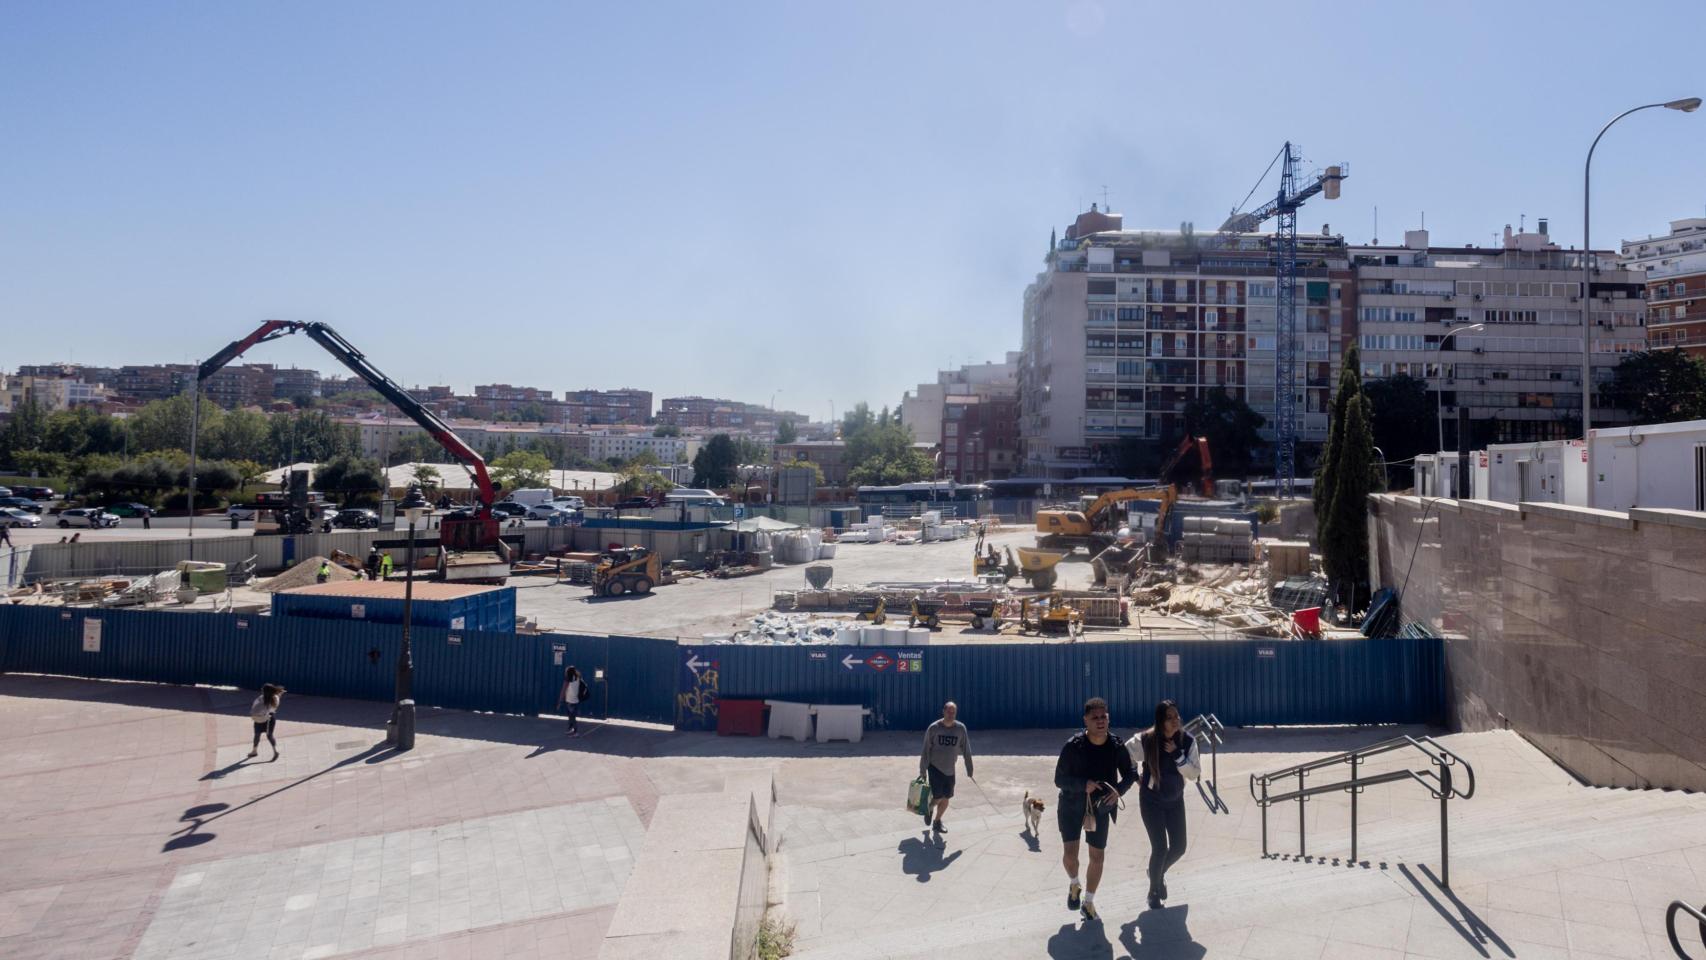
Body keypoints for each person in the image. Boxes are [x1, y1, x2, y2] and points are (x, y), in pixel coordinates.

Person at [1054, 697, 1137, 922]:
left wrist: (1119, 790)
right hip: (1072, 804)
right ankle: (1074, 884)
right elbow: (1059, 779)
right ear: (1086, 720)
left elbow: (1131, 773)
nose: (1100, 721)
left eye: (1104, 717)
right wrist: (1083, 785)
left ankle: (1088, 902)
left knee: (1097, 856)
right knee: (1070, 854)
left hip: (1100, 808)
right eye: (1095, 717)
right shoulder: (1073, 746)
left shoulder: (1116, 745)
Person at [1132, 699, 1195, 910]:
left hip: (1175, 800)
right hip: (1152, 802)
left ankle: (1156, 874)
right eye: (1169, 717)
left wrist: (1178, 756)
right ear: (1160, 721)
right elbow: (1123, 754)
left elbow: (1194, 773)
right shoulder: (1147, 740)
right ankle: (1154, 892)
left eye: (1177, 715)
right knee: (1159, 848)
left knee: (1179, 847)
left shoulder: (1187, 741)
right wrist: (1134, 775)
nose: (1175, 720)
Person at [918, 701, 974, 834]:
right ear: (943, 711)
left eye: (953, 712)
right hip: (935, 767)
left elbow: (966, 748)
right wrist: (922, 770)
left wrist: (969, 768)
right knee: (938, 796)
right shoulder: (934, 728)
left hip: (950, 769)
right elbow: (926, 749)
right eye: (948, 711)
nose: (951, 714)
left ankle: (937, 821)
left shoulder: (960, 729)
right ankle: (930, 808)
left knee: (946, 798)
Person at [248, 683, 285, 760]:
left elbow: (254, 707)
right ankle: (275, 751)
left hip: (259, 719)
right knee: (269, 735)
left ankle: (254, 751)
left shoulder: (261, 698)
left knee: (257, 734)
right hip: (270, 719)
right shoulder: (275, 698)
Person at [556, 666, 588, 736]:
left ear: (568, 672)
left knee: (572, 717)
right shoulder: (578, 678)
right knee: (571, 716)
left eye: (566, 671)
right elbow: (579, 674)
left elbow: (563, 691)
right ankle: (570, 729)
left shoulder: (567, 680)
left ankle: (576, 732)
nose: (565, 672)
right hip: (575, 700)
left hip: (569, 701)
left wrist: (560, 702)